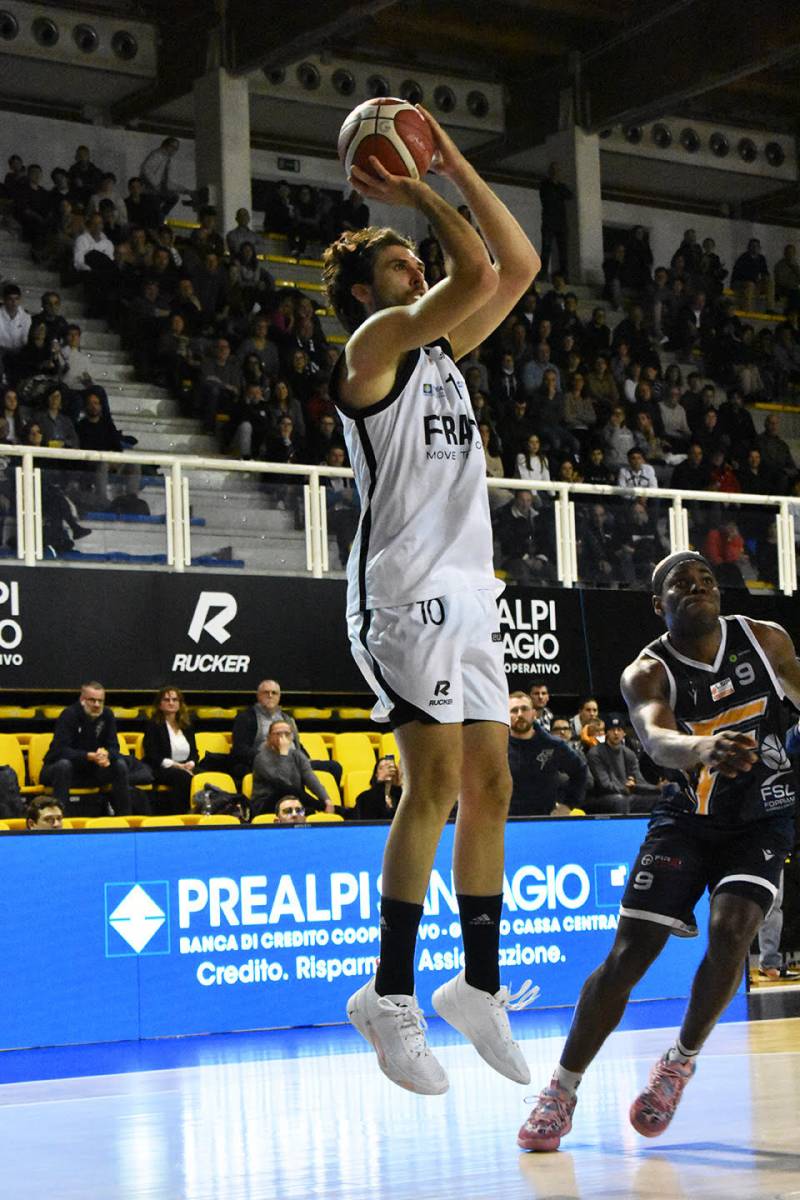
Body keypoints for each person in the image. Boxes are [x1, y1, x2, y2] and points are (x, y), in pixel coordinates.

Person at [323, 104, 540, 1095]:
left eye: (413, 257)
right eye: (397, 261)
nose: (414, 263)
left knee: (491, 784)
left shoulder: (444, 357)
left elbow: (516, 267)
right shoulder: (372, 350)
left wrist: (448, 154)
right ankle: (387, 996)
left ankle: (476, 988)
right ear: (366, 293)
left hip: (468, 587)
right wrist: (410, 187)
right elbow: (467, 274)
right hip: (402, 592)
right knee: (435, 783)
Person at [519, 551, 800, 1151]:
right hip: (685, 820)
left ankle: (679, 1061)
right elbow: (654, 735)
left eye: (706, 580)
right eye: (681, 583)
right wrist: (702, 749)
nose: (697, 587)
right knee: (628, 957)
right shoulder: (647, 671)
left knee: (733, 932)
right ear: (659, 603)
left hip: (762, 817)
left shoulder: (766, 641)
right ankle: (561, 1091)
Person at [40, 681, 131, 816]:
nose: (97, 705)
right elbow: (60, 750)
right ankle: (59, 818)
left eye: (100, 701)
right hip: (60, 769)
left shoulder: (107, 714)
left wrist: (106, 755)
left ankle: (125, 819)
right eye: (92, 700)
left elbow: (114, 747)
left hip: (92, 770)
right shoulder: (69, 714)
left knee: (119, 764)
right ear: (82, 699)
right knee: (64, 765)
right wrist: (88, 756)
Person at [508, 692, 586, 816]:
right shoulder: (498, 747)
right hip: (508, 821)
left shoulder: (553, 745)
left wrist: (568, 805)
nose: (520, 714)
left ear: (534, 714)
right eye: (514, 710)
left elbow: (580, 771)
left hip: (544, 819)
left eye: (524, 709)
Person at [251, 720, 335, 818]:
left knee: (309, 809)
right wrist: (283, 754)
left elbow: (310, 778)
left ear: (292, 737)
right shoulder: (261, 758)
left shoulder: (297, 755)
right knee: (287, 789)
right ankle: (322, 807)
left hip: (293, 801)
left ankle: (326, 807)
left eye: (287, 734)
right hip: (265, 803)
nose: (282, 737)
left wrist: (326, 800)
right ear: (269, 737)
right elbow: (283, 781)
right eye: (278, 734)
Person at [585, 716, 659, 814]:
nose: (616, 733)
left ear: (624, 733)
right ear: (607, 732)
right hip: (601, 797)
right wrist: (626, 789)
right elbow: (604, 784)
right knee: (620, 800)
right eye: (612, 730)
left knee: (658, 799)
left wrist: (657, 788)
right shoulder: (595, 753)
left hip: (626, 795)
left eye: (619, 730)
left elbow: (639, 781)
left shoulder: (629, 754)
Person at [143, 685, 199, 812]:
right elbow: (152, 754)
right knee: (182, 777)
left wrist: (191, 763)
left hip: (185, 766)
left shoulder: (187, 725)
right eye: (167, 700)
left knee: (206, 775)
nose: (171, 703)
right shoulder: (153, 725)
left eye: (175, 700)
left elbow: (194, 752)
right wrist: (177, 765)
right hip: (162, 767)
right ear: (159, 704)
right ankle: (182, 813)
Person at [539, 162, 571, 281]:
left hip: (560, 222)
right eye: (554, 170)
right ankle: (543, 273)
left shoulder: (561, 187)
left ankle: (564, 274)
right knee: (546, 248)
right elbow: (547, 198)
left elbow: (569, 195)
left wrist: (558, 187)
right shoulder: (545, 185)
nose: (555, 173)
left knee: (562, 249)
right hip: (549, 221)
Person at [354, 756, 403, 821]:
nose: (387, 770)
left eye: (391, 768)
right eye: (381, 768)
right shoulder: (365, 798)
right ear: (376, 775)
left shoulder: (404, 796)